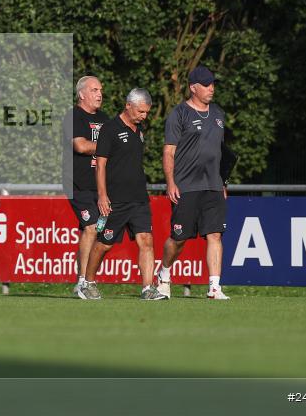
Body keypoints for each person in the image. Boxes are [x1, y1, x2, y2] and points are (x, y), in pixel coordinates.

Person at [78, 88, 166, 300]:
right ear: (128, 105)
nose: (143, 116)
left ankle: (148, 288)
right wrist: (102, 196)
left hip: (139, 198)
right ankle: (87, 283)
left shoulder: (139, 130)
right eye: (140, 111)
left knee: (146, 240)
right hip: (115, 200)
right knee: (104, 244)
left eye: (146, 112)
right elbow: (100, 165)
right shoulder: (109, 129)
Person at [158, 66, 229, 300]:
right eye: (206, 85)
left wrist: (223, 183)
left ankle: (214, 287)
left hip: (213, 186)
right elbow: (169, 152)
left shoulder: (218, 114)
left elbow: (220, 152)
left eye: (213, 84)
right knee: (178, 239)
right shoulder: (179, 114)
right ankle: (164, 274)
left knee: (215, 235)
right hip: (186, 186)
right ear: (193, 88)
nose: (211, 88)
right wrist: (170, 182)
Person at [61, 76, 107, 297]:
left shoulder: (106, 119)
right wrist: (108, 147)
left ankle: (87, 279)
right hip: (77, 184)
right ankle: (83, 282)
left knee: (96, 233)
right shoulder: (73, 116)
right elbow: (80, 145)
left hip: (99, 186)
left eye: (101, 90)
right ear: (82, 94)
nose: (99, 94)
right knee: (90, 227)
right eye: (94, 89)